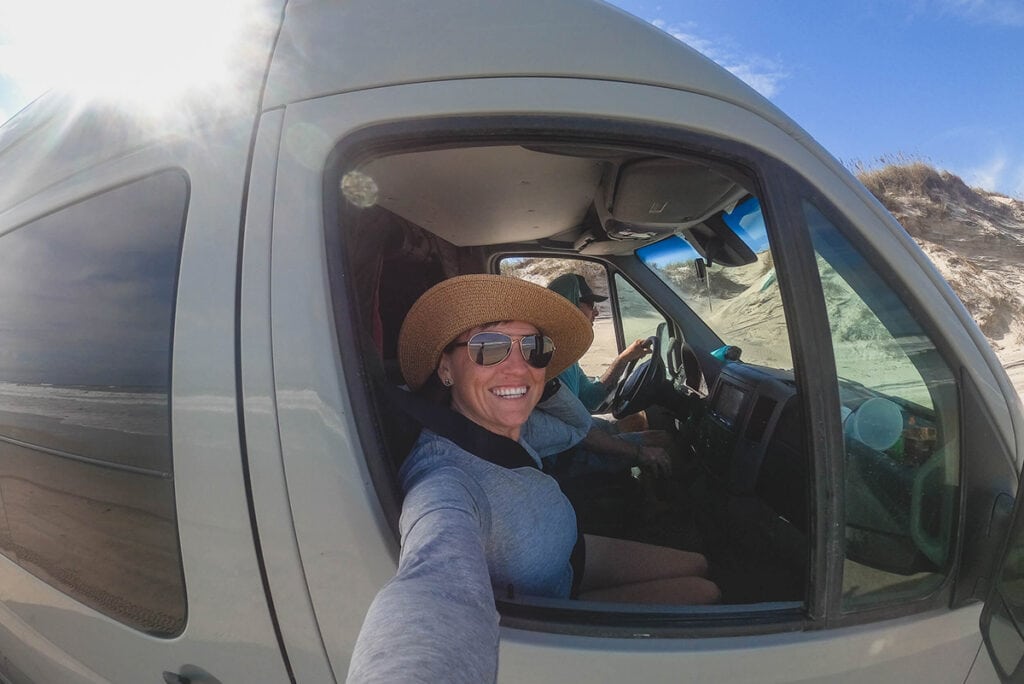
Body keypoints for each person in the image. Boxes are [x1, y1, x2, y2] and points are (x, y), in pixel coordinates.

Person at [347, 274, 718, 683]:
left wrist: (543, 379)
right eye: (489, 348)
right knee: (705, 593)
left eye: (534, 348)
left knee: (699, 564)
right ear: (445, 369)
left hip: (570, 552)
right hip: (554, 598)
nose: (518, 365)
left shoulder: (503, 425)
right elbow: (433, 586)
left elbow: (578, 427)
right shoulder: (445, 479)